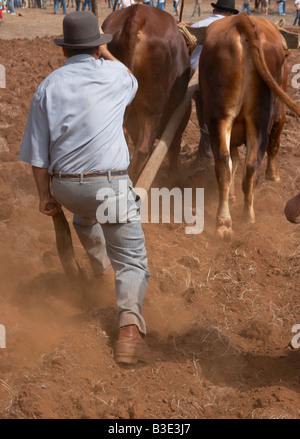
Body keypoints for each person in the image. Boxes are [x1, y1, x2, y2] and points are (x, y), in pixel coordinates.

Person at [18, 11, 154, 365]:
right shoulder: (114, 75)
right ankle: (129, 331)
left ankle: (100, 275)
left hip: (65, 189)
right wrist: (107, 54)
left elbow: (37, 155)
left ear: (64, 51)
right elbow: (131, 80)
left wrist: (46, 196)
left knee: (84, 220)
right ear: (98, 47)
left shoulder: (47, 87)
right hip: (108, 187)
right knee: (132, 260)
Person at [190, 0, 239, 160]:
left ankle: (207, 157)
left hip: (199, 79)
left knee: (206, 120)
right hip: (231, 81)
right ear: (230, 13)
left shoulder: (199, 24)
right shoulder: (234, 28)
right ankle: (214, 156)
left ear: (215, 9)